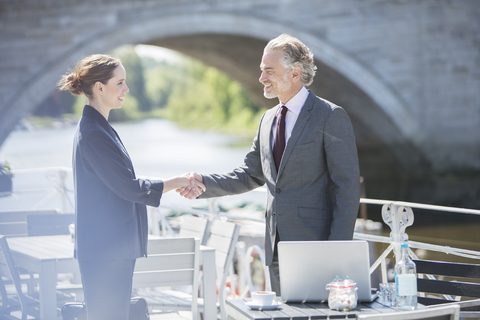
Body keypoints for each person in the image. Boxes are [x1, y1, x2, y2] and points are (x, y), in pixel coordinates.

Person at [178, 34, 360, 295]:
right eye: (262, 70)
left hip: (315, 246)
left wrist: (335, 251)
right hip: (275, 247)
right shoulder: (268, 120)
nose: (261, 78)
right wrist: (203, 184)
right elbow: (250, 175)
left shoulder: (330, 116)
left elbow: (348, 187)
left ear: (295, 73)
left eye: (268, 71)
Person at [58, 54, 205, 320]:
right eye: (121, 82)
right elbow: (128, 187)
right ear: (99, 88)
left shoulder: (99, 128)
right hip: (106, 252)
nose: (126, 89)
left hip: (110, 249)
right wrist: (178, 181)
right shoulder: (93, 133)